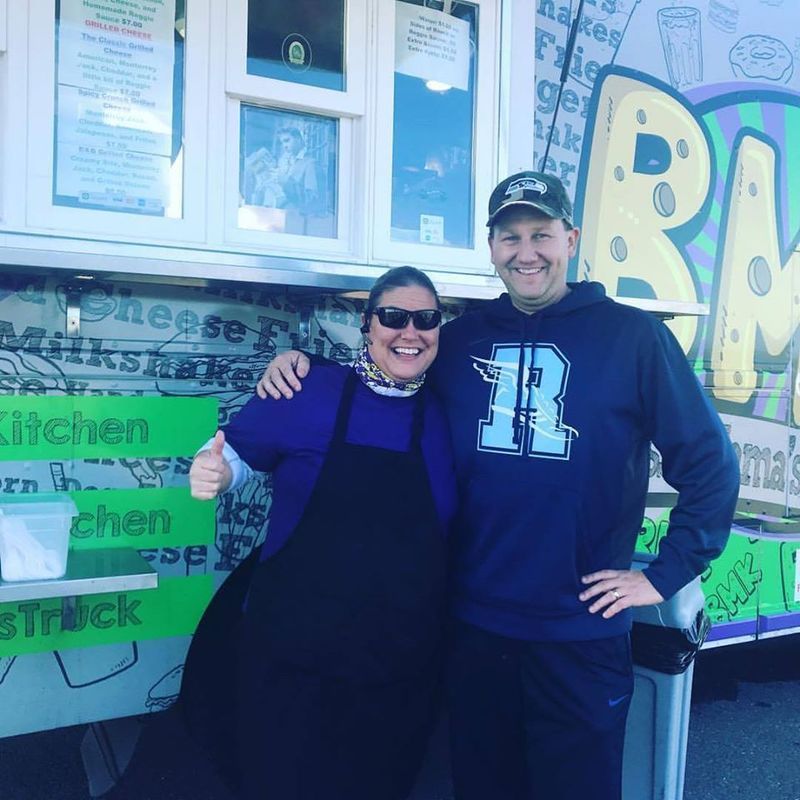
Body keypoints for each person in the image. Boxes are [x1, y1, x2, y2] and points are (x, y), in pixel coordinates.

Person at [257, 171, 740, 800]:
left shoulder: (633, 337)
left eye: (541, 233)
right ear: (492, 248)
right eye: (509, 236)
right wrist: (304, 368)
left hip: (579, 632)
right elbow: (387, 384)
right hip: (474, 626)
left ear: (570, 238)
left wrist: (661, 574)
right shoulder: (459, 341)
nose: (526, 251)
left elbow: (709, 462)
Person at [187, 266, 457, 800]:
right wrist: (214, 470)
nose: (409, 331)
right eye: (393, 317)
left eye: (425, 319)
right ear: (367, 324)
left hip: (397, 670)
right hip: (293, 659)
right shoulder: (308, 386)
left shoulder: (452, 412)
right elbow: (237, 451)